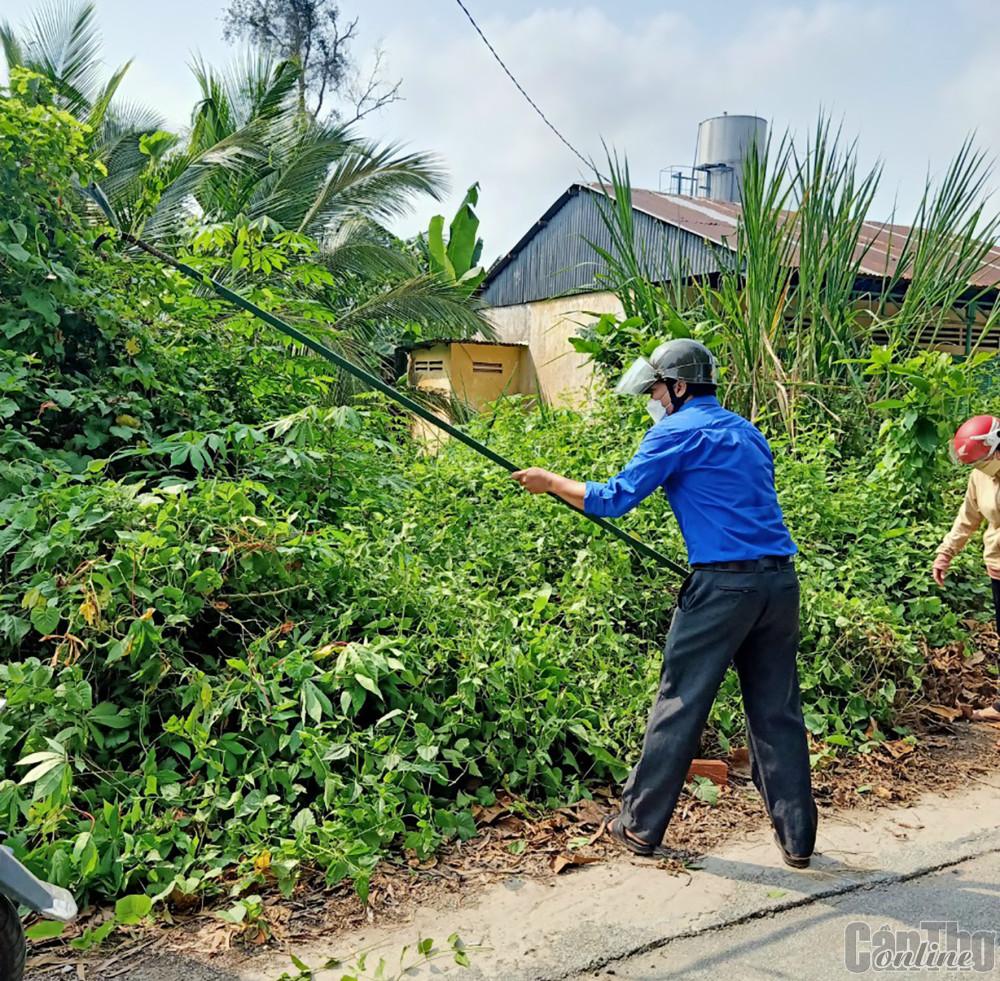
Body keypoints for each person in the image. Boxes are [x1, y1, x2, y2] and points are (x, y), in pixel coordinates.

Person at [511, 339, 817, 868]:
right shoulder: (748, 432)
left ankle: (637, 827)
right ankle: (798, 840)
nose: (652, 399)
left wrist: (548, 482)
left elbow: (612, 499)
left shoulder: (675, 431)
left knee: (679, 705)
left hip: (722, 590)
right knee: (777, 711)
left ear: (678, 387)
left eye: (655, 389)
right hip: (779, 586)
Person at [934, 414, 1000, 723]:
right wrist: (945, 553)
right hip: (997, 566)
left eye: (980, 462)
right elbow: (968, 518)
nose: (977, 468)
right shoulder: (980, 476)